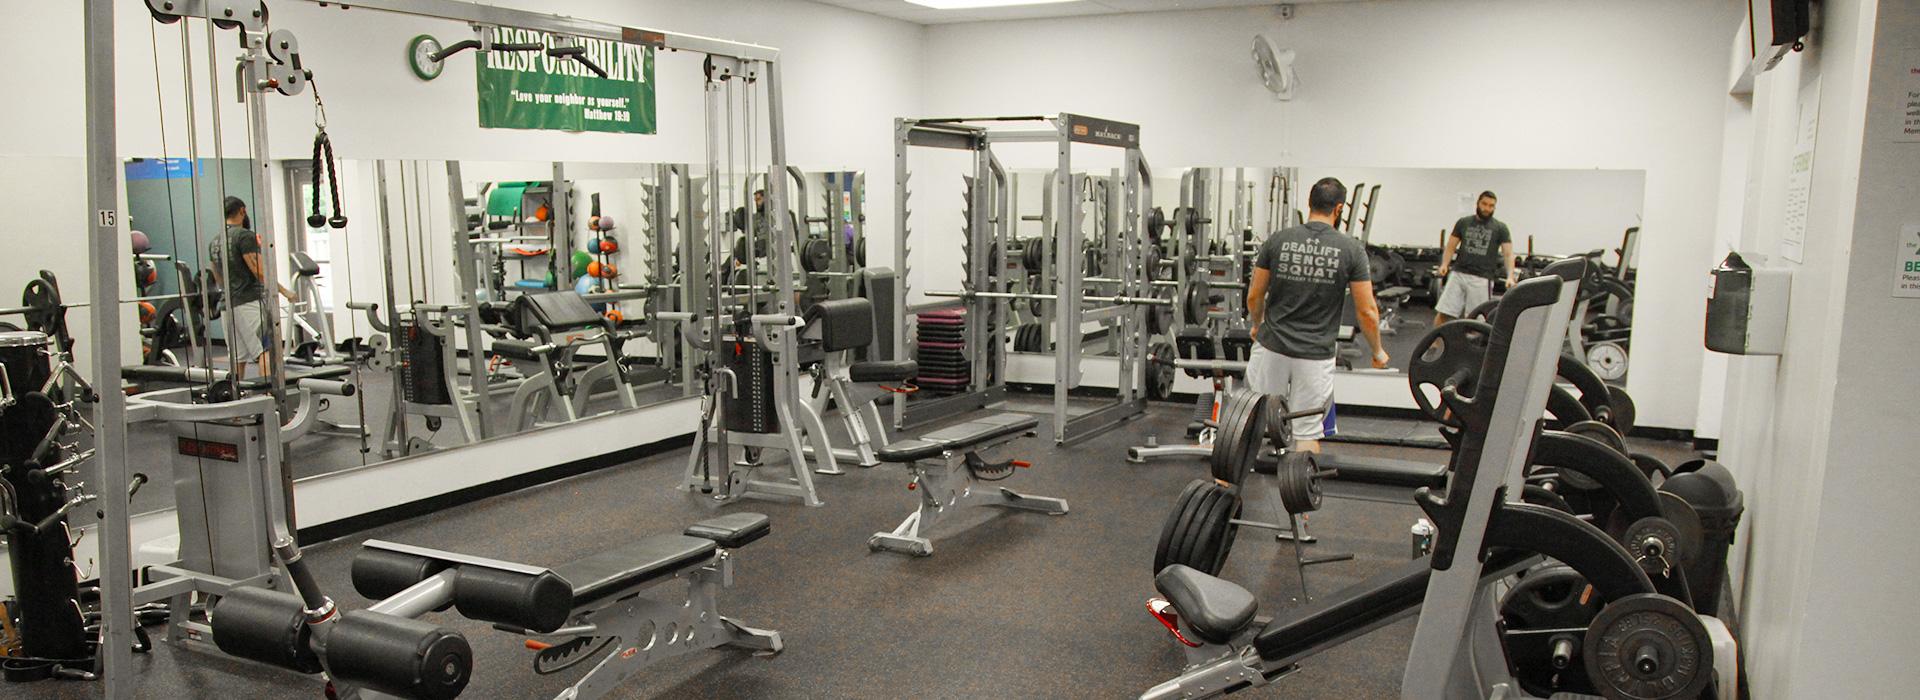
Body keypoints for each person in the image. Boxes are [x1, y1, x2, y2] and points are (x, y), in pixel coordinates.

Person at [1245, 177, 1388, 454]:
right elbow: (1367, 311)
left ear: (1308, 204)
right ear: (1339, 209)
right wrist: (1378, 351)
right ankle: (1298, 495)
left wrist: (1255, 325)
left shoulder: (1278, 240)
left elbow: (1254, 295)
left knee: (1251, 419)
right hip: (1314, 354)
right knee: (1307, 430)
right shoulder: (1351, 250)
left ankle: (1226, 486)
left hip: (1271, 346)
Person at [210, 196, 294, 379]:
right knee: (266, 350)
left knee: (238, 358)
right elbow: (260, 272)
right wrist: (285, 291)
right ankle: (270, 401)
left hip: (227, 305)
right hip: (248, 303)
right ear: (242, 211)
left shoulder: (215, 241)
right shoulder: (245, 236)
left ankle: (236, 401)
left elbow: (218, 277)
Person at [1434, 191, 1515, 325]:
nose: (1487, 208)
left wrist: (1510, 276)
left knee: (1477, 319)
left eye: (1491, 206)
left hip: (1482, 278)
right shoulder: (1463, 222)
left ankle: (1472, 345)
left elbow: (1508, 254)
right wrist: (1444, 264)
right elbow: (1450, 246)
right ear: (1478, 203)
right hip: (1459, 273)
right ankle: (1436, 345)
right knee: (1444, 313)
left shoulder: (1500, 228)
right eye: (1484, 204)